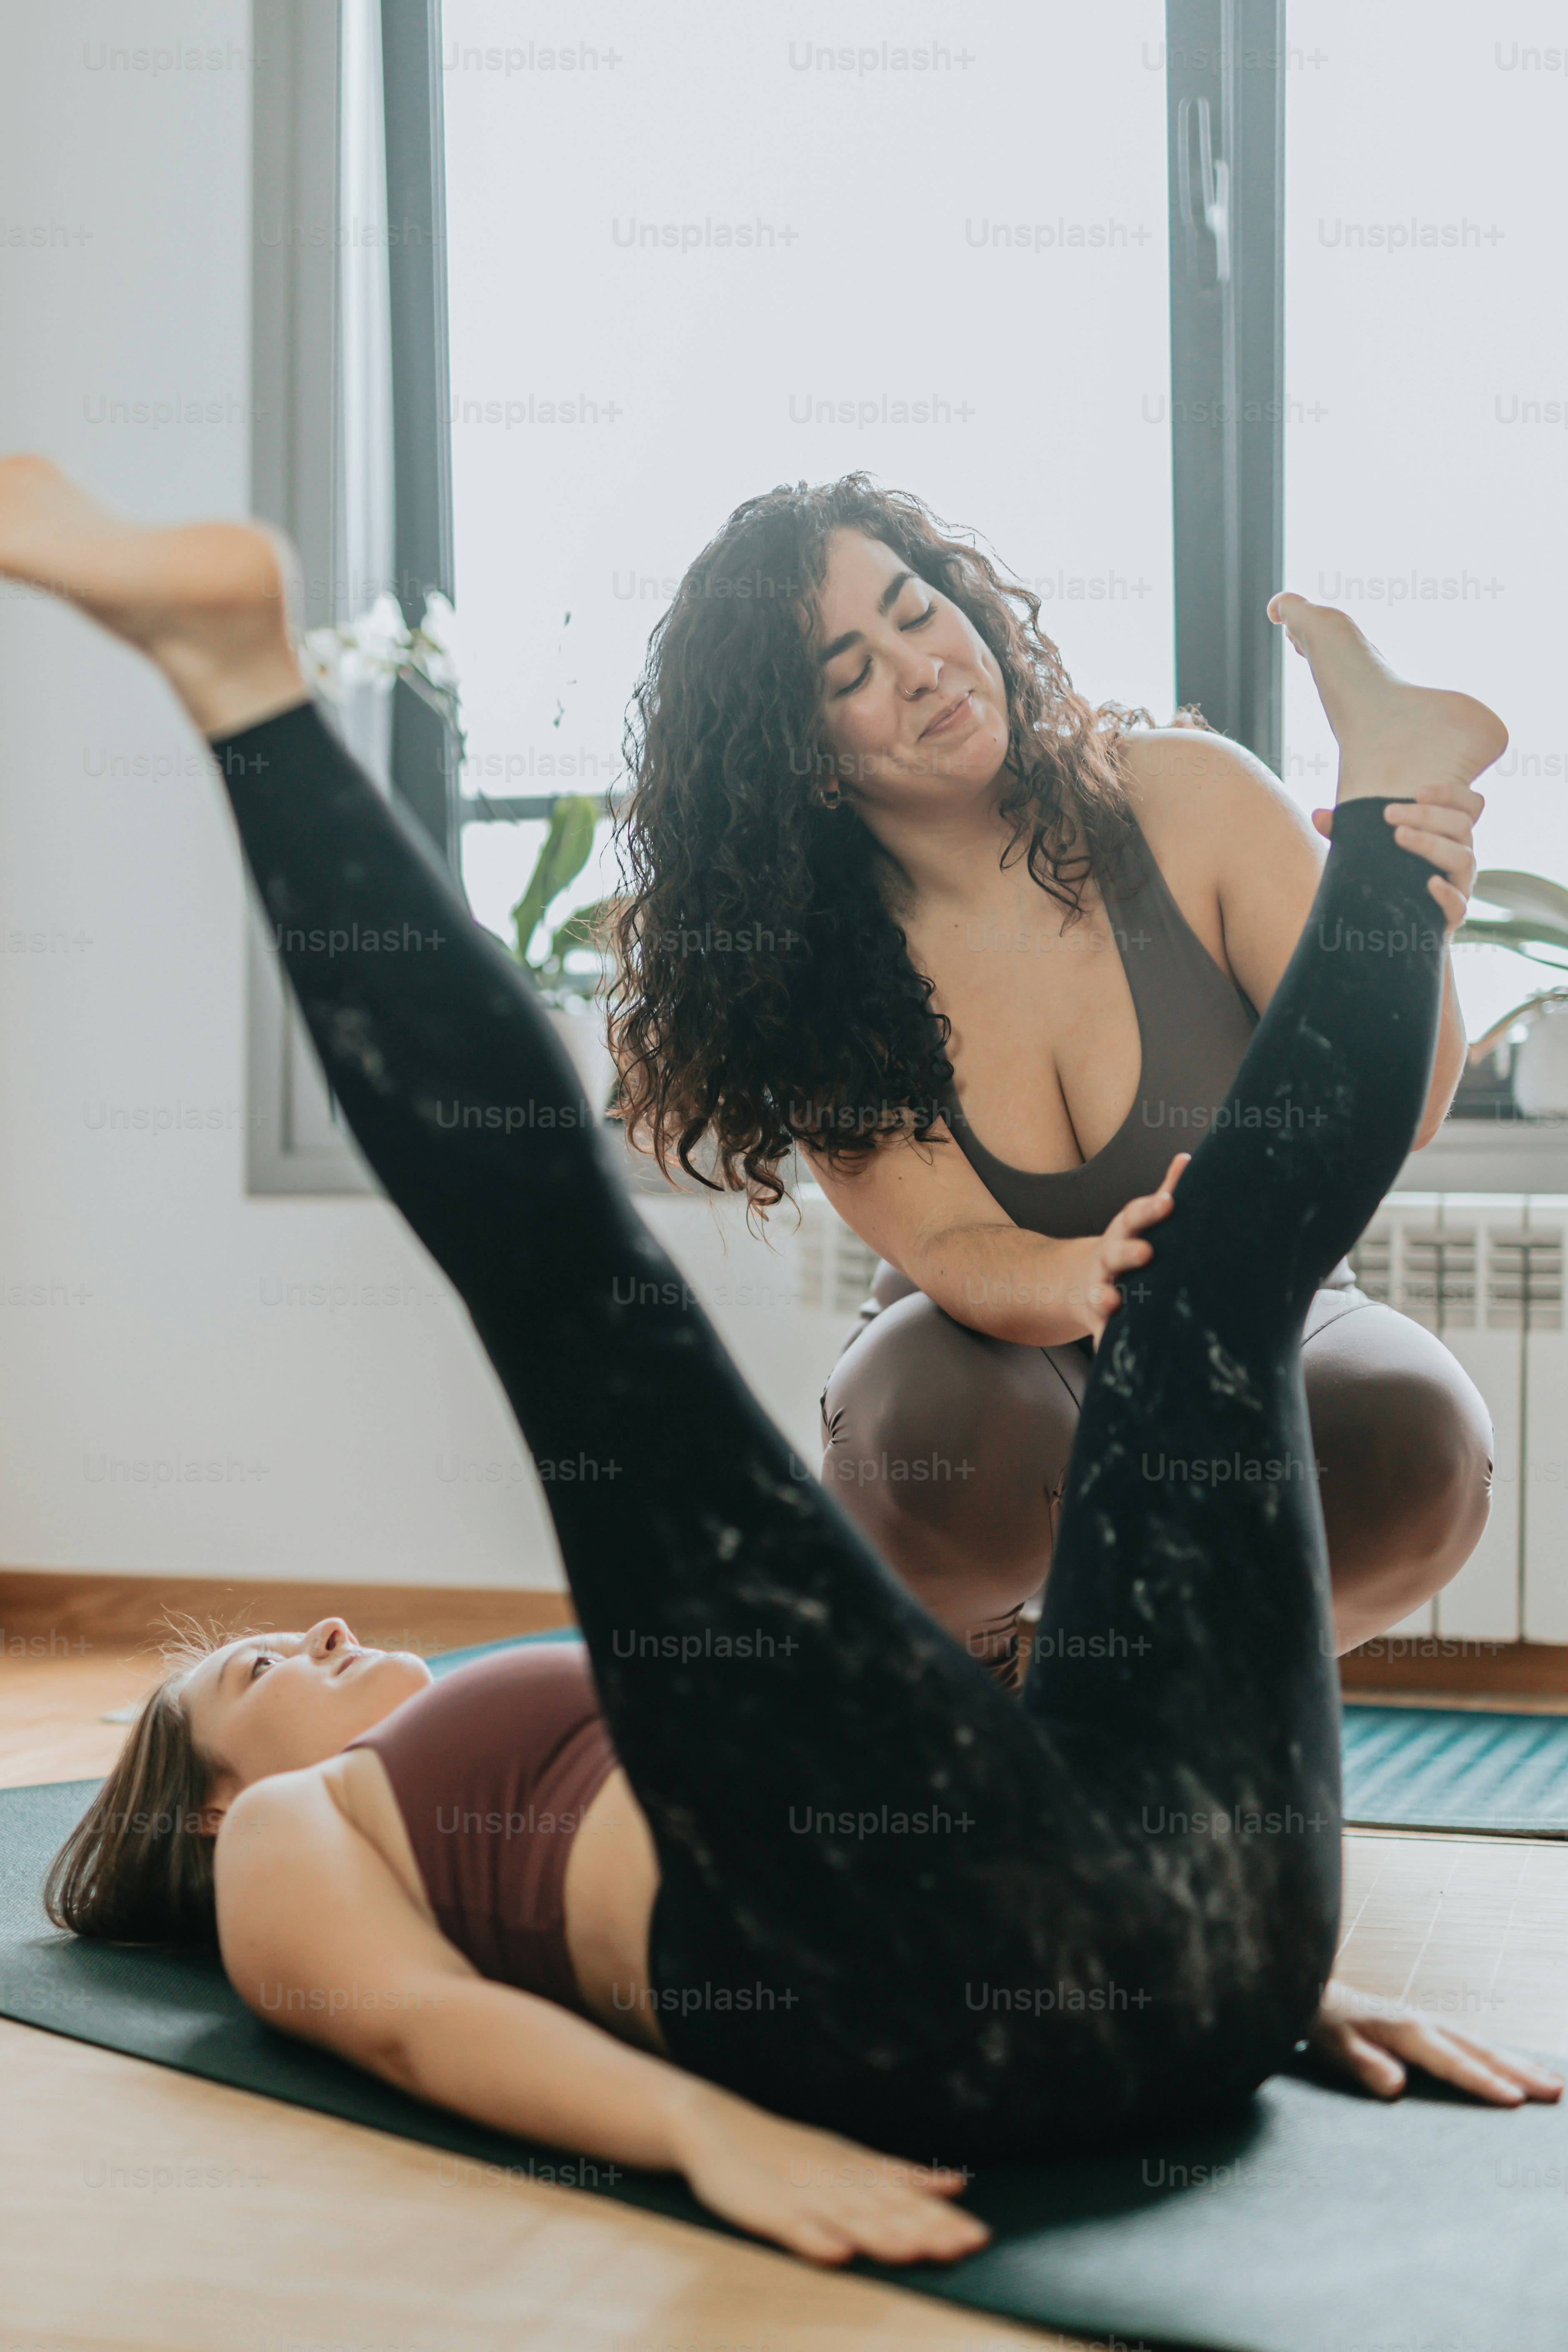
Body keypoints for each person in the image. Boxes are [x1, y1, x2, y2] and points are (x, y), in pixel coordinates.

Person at [5, 458, 1555, 2276]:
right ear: (191, 1796)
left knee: (1211, 1267)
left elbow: (946, 1802)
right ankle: (239, 688)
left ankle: (1387, 807)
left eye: (913, 610)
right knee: (584, 1312)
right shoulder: (282, 1830)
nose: (320, 1637)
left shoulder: (502, 1720)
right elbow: (411, 2027)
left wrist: (1270, 1965)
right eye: (257, 1667)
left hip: (1182, 1971)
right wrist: (700, 2136)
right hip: (899, 2010)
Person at [609, 480, 1493, 1684]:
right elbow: (954, 1248)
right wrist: (1094, 1278)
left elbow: (1404, 1099)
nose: (919, 667)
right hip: (997, 1350)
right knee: (928, 1435)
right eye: (847, 673)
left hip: (1269, 1310)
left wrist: (1400, 912)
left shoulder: (1188, 795)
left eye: (916, 611)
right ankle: (979, 1689)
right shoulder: (811, 972)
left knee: (1418, 1444)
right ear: (803, 759)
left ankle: (1189, 1686)